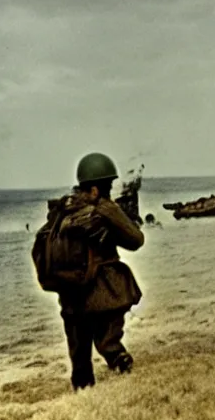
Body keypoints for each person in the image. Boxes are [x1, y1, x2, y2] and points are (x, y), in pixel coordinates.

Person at [32, 152, 144, 391]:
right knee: (110, 343)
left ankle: (83, 400)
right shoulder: (102, 209)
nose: (111, 191)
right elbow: (136, 240)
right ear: (95, 190)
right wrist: (113, 213)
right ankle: (116, 357)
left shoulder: (62, 210)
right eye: (109, 187)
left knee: (80, 360)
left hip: (70, 295)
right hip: (102, 295)